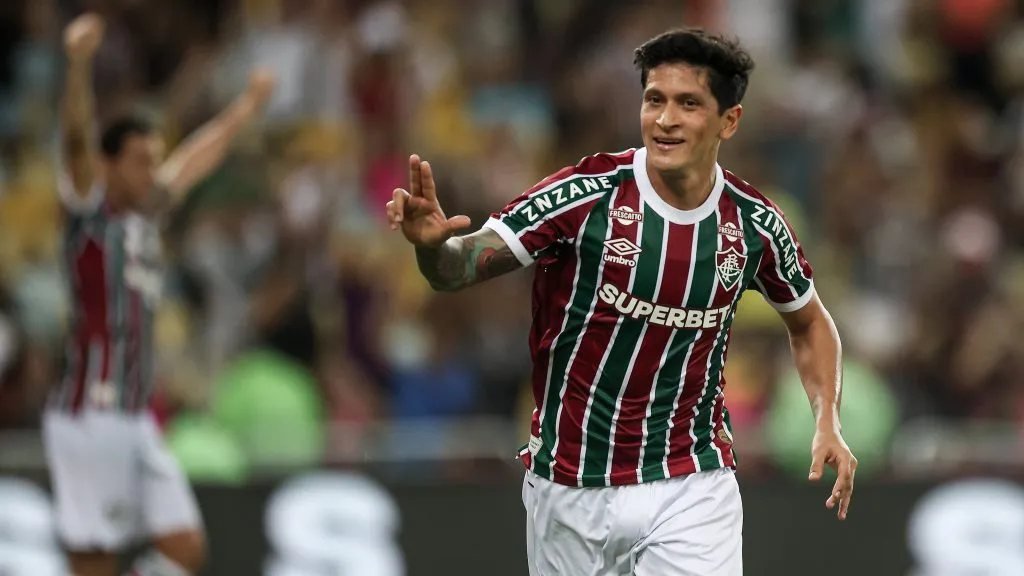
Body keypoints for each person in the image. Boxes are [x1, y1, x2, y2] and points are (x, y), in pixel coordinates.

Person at [386, 27, 857, 575]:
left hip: (691, 480)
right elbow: (459, 269)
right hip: (570, 485)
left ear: (729, 121)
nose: (665, 119)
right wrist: (433, 247)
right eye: (654, 99)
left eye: (688, 104)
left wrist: (828, 420)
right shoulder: (584, 195)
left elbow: (809, 322)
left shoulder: (754, 226)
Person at [44, 13, 276, 576]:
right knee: (92, 560)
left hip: (136, 414)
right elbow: (77, 136)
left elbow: (193, 161)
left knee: (185, 548)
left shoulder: (144, 218)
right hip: (90, 416)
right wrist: (78, 66)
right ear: (107, 166)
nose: (153, 173)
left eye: (154, 160)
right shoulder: (89, 215)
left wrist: (243, 110)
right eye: (141, 162)